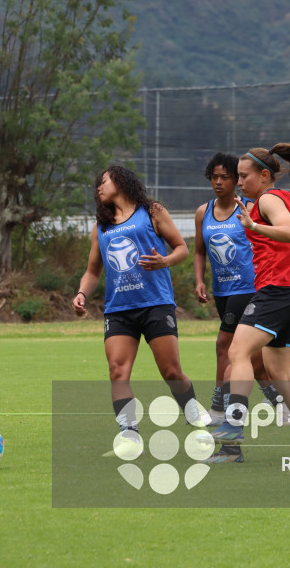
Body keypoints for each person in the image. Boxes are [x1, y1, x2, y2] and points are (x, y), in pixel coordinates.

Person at [72, 165, 208, 455]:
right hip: (119, 309)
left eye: (104, 181)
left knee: (172, 372)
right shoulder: (101, 227)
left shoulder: (152, 211)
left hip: (155, 303)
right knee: (117, 371)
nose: (98, 187)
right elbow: (93, 271)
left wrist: (165, 262)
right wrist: (82, 293)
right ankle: (129, 433)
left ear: (120, 182)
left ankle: (193, 415)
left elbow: (181, 248)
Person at [210, 142, 290, 461]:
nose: (239, 182)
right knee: (281, 375)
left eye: (244, 176)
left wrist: (252, 225)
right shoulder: (286, 199)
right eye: (238, 176)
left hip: (277, 291)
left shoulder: (268, 198)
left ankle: (233, 434)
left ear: (264, 176)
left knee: (238, 352)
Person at [194, 152, 269, 464]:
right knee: (252, 359)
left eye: (225, 177)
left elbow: (266, 242)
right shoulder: (203, 212)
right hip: (222, 290)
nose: (219, 182)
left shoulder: (248, 208)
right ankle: (280, 401)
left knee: (226, 346)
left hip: (248, 288)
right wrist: (199, 280)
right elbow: (199, 251)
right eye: (215, 177)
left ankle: (219, 407)